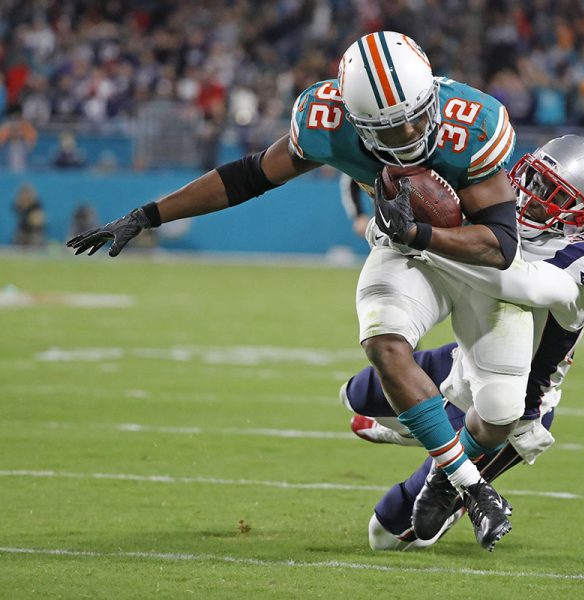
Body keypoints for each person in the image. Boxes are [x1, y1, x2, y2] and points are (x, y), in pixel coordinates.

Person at [66, 32, 527, 551]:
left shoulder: (475, 122)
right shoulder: (325, 119)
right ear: (355, 120)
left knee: (507, 410)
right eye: (387, 127)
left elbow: (502, 245)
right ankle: (470, 485)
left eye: (417, 117)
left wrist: (417, 232)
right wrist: (149, 214)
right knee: (382, 339)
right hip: (409, 250)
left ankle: (446, 413)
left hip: (475, 254)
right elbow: (247, 177)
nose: (408, 133)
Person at [344, 135, 584, 550]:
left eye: (549, 191)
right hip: (464, 360)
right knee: (356, 395)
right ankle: (419, 432)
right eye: (533, 176)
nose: (528, 190)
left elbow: (516, 281)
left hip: (509, 414)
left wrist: (415, 237)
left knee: (386, 534)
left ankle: (452, 477)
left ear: (581, 215)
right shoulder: (504, 210)